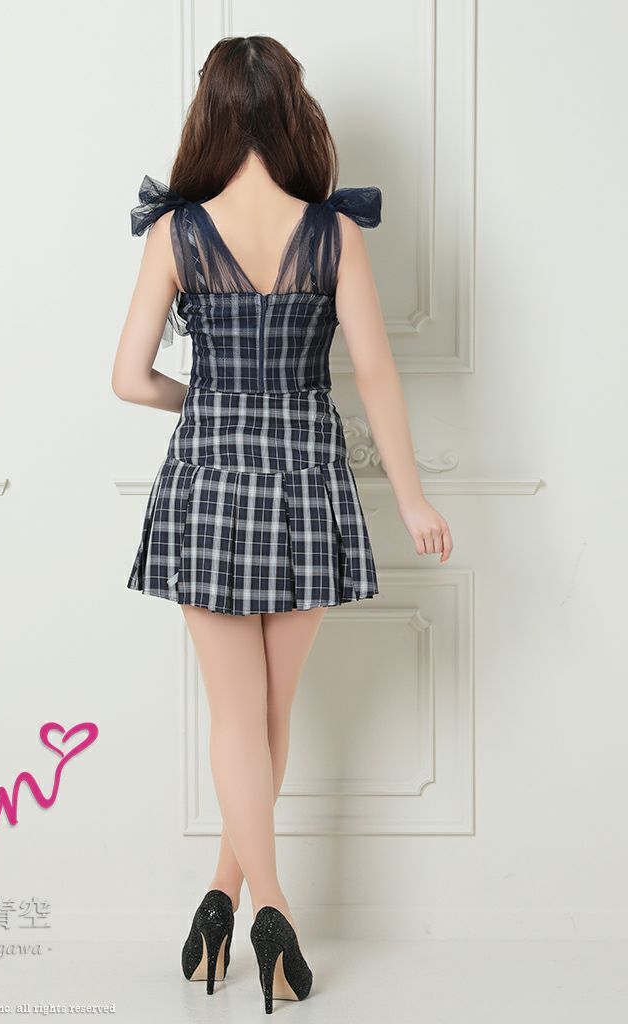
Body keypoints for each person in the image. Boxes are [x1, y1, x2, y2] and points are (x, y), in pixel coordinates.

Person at [112, 34, 453, 1015]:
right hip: (308, 479)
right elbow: (376, 374)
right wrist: (413, 497)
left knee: (237, 718)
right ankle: (258, 904)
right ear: (295, 112)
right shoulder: (333, 233)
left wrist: (206, 402)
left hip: (210, 478)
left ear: (211, 116)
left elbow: (129, 379)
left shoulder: (177, 234)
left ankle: (243, 902)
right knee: (270, 715)